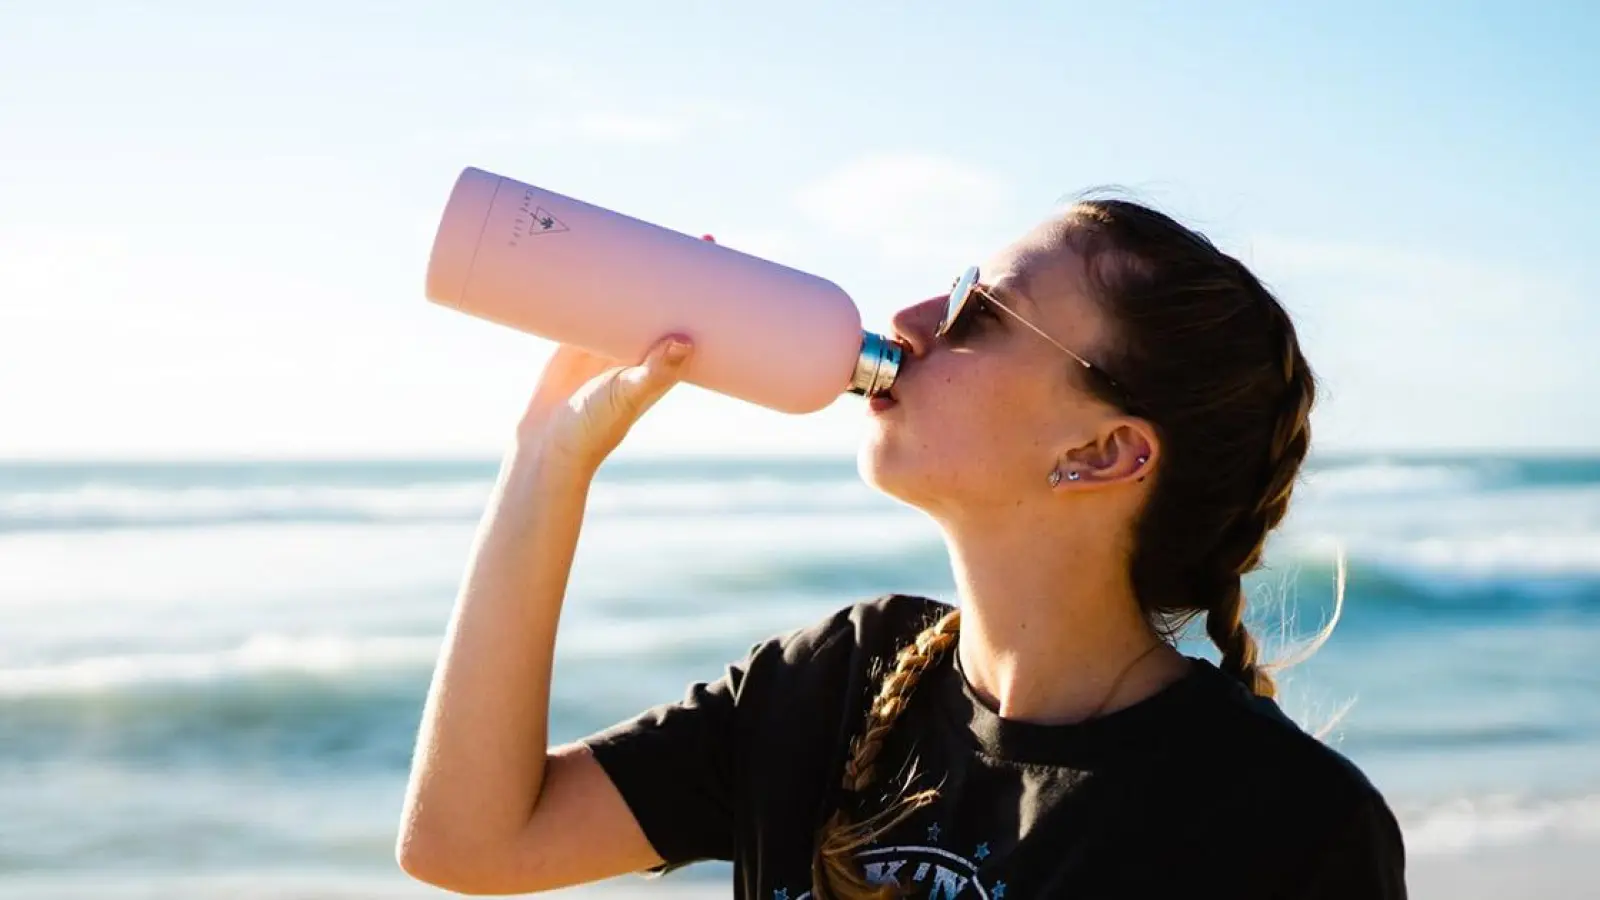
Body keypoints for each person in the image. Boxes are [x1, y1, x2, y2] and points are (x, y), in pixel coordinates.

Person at [396, 197, 1408, 898]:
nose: (909, 320)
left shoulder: (1281, 827)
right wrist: (548, 457)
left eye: (977, 311)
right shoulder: (829, 686)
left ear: (1100, 452)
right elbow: (469, 842)